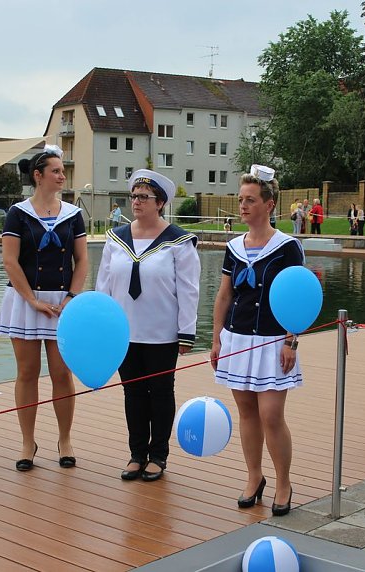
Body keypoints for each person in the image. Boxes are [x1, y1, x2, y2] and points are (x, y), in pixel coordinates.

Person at [210, 164, 304, 517]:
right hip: (236, 340)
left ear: (270, 204)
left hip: (272, 341)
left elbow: (298, 297)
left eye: (250, 200)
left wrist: (291, 341)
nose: (243, 206)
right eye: (240, 200)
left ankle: (283, 481)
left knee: (271, 414)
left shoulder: (287, 247)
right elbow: (224, 295)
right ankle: (254, 477)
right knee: (247, 412)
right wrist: (216, 338)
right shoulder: (233, 247)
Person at [96, 169, 200, 482]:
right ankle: (136, 454)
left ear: (160, 203)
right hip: (124, 332)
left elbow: (189, 290)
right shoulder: (117, 239)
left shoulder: (178, 241)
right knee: (133, 393)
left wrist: (186, 332)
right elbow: (104, 284)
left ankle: (158, 456)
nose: (137, 202)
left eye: (145, 197)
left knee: (160, 392)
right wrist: (102, 325)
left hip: (162, 333)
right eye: (134, 196)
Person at [0, 144, 88, 472]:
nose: (62, 176)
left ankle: (65, 439)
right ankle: (27, 442)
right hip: (25, 301)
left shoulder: (73, 214)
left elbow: (82, 261)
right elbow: (9, 260)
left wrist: (71, 298)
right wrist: (32, 299)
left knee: (62, 373)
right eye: (56, 171)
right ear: (38, 175)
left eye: (63, 171)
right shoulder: (18, 213)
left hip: (62, 303)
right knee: (28, 373)